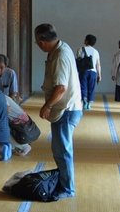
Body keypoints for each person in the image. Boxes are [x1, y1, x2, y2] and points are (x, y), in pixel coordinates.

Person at [35, 23, 83, 199]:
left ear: (41, 41)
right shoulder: (61, 48)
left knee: (63, 151)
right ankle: (64, 184)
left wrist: (47, 105)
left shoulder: (60, 56)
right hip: (69, 108)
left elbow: (61, 88)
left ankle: (67, 188)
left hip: (66, 110)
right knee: (60, 150)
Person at [76, 34, 101, 110]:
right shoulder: (96, 51)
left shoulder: (81, 49)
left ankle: (84, 101)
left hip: (83, 71)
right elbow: (98, 64)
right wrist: (99, 75)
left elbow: (78, 60)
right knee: (91, 88)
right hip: (93, 72)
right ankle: (89, 104)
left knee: (83, 87)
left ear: (86, 41)